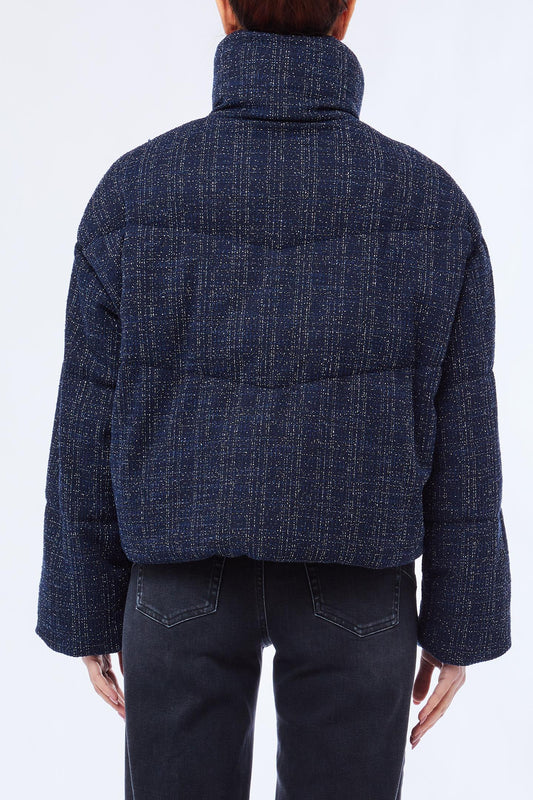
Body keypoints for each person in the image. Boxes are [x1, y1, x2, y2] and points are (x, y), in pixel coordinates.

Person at [35, 0, 512, 797]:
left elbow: (86, 418)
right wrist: (459, 624)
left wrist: (83, 607)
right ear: (345, 14)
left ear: (225, 10)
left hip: (178, 578)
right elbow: (465, 430)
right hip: (360, 583)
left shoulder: (134, 191)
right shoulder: (429, 202)